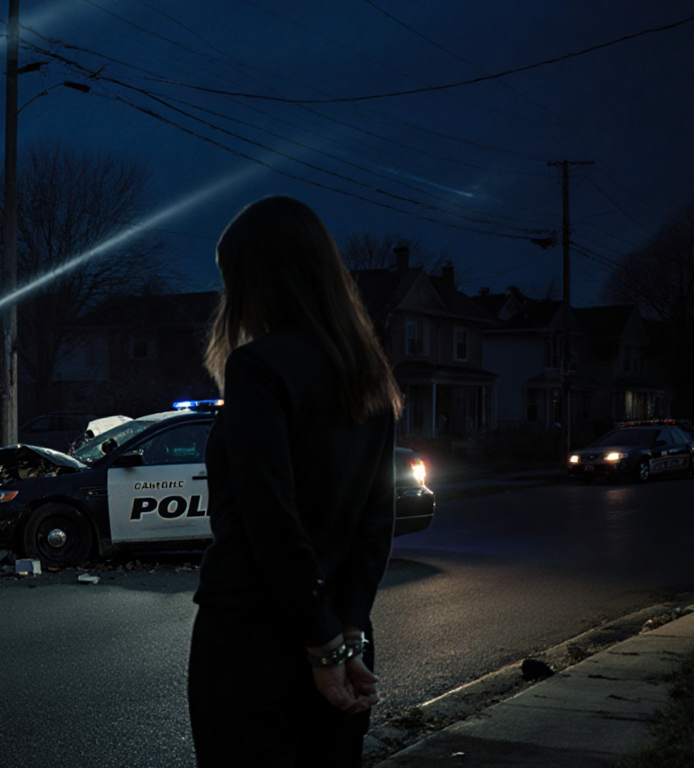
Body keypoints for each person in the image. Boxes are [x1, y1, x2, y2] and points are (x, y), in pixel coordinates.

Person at [187, 196, 402, 767]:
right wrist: (346, 634)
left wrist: (322, 650)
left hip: (253, 637)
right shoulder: (370, 377)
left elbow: (271, 518)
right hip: (340, 633)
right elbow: (376, 523)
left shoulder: (257, 367)